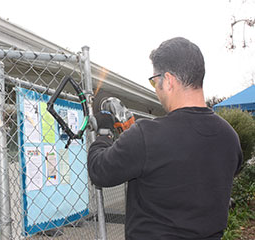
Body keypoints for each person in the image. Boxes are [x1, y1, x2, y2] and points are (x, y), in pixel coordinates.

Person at [87, 37, 243, 240]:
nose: (156, 89)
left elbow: (99, 171)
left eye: (154, 81)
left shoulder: (146, 135)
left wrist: (104, 133)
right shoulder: (229, 137)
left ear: (168, 80)